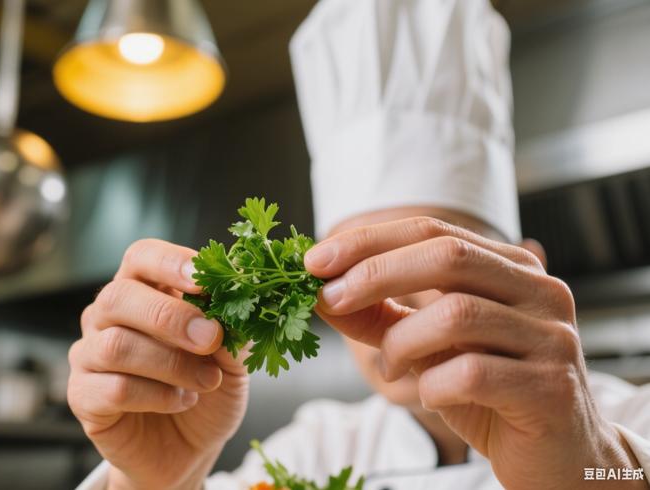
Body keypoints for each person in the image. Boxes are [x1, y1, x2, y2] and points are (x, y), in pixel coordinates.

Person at [70, 0, 650, 488]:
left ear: (531, 270)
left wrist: (592, 465)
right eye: (354, 272)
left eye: (426, 258)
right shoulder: (316, 448)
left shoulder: (629, 425)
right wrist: (153, 482)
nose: (400, 307)